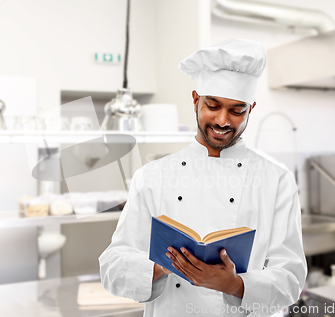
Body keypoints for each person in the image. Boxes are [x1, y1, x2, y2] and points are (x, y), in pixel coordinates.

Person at [99, 38, 307, 317]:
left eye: (237, 110)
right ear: (196, 100)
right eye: (213, 105)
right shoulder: (152, 176)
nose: (223, 120)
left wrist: (235, 285)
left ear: (251, 110)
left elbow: (291, 278)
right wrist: (163, 264)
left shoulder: (276, 181)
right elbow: (112, 267)